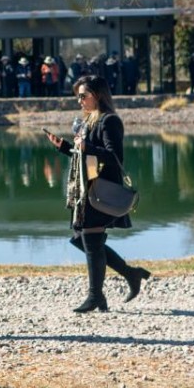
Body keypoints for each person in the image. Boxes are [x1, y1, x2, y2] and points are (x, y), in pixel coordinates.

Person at [44, 75, 151, 314]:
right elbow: (85, 155)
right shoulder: (89, 121)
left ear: (98, 95)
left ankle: (96, 296)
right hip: (86, 189)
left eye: (83, 96)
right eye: (78, 96)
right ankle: (130, 274)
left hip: (100, 189)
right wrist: (64, 147)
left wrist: (86, 147)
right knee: (80, 239)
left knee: (91, 241)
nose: (79, 100)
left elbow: (114, 157)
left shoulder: (109, 121)